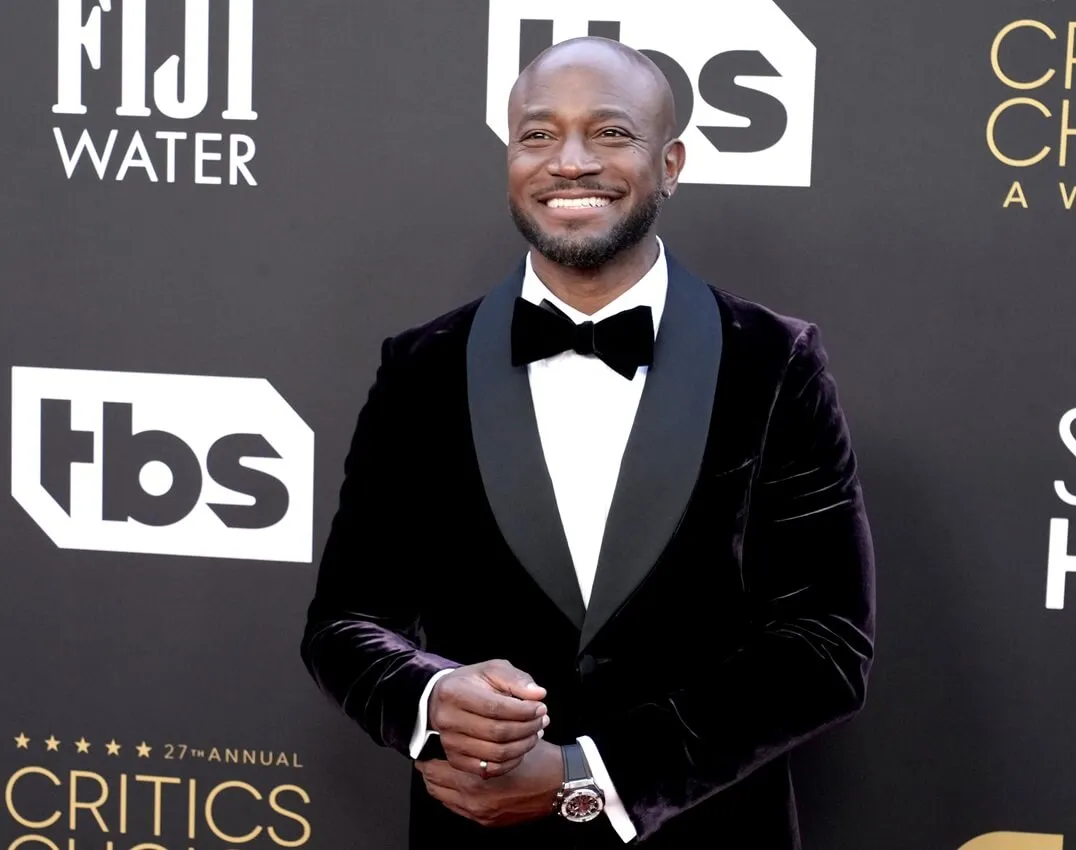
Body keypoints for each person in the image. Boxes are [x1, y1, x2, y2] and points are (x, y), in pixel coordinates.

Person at [300, 35, 875, 850]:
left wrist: (590, 775)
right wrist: (432, 698)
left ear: (670, 164)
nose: (569, 162)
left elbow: (826, 646)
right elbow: (344, 623)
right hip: (475, 825)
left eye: (609, 133)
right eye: (538, 135)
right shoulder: (422, 367)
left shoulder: (773, 362)